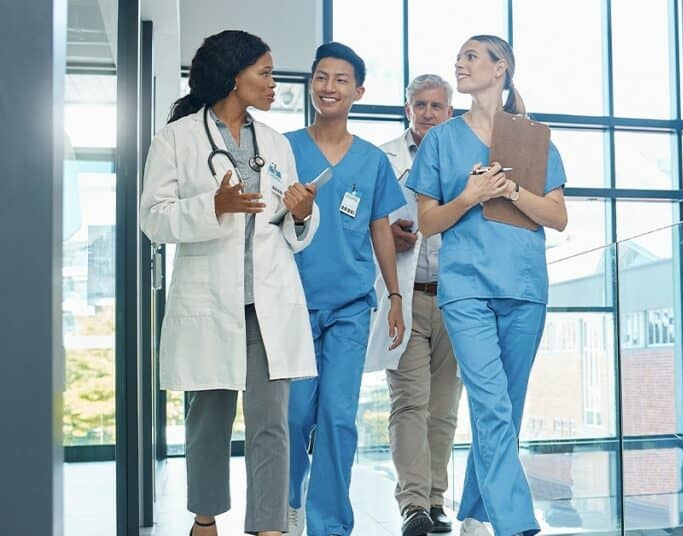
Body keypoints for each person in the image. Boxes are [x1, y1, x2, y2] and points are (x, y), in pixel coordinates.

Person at [139, 30, 319, 536]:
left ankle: (269, 526)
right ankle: (205, 518)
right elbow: (153, 219)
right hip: (209, 301)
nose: (272, 82)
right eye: (263, 72)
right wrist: (212, 206)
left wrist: (302, 214)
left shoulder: (277, 142)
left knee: (271, 424)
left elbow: (287, 224)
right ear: (233, 76)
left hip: (267, 303)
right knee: (208, 422)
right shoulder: (176, 139)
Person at [405, 35, 568, 536]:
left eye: (472, 56)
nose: (460, 63)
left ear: (501, 69)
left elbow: (557, 216)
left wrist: (512, 190)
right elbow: (428, 222)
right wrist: (472, 195)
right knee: (491, 403)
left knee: (507, 409)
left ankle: (475, 509)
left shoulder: (534, 139)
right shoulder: (440, 140)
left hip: (523, 288)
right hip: (466, 290)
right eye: (459, 57)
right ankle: (516, 521)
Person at [285, 42, 407, 536]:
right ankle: (288, 502)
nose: (328, 87)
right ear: (311, 84)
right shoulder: (284, 148)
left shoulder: (372, 160)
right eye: (320, 77)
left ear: (358, 91)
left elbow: (381, 227)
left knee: (338, 417)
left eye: (340, 80)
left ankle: (329, 523)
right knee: (293, 417)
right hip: (291, 304)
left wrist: (395, 297)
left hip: (352, 307)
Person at [365, 74, 462, 536]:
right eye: (419, 104)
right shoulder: (383, 158)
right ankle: (413, 505)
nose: (427, 112)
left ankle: (437, 500)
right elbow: (365, 223)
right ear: (407, 109)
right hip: (404, 297)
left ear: (450, 111)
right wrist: (385, 234)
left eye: (436, 105)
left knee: (443, 409)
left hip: (456, 301)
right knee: (409, 403)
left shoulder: (466, 156)